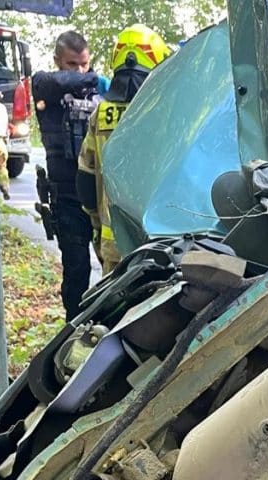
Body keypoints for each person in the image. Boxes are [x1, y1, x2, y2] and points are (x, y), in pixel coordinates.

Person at [77, 24, 170, 274]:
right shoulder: (169, 111)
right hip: (165, 246)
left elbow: (85, 180)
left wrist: (98, 224)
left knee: (115, 311)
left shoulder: (101, 114)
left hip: (114, 247)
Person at [32, 31, 106, 320]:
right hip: (67, 197)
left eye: (84, 64)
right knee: (77, 270)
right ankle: (73, 330)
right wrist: (93, 79)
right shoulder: (45, 88)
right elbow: (54, 81)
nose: (79, 70)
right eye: (72, 64)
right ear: (57, 61)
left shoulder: (98, 94)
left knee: (113, 265)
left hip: (99, 195)